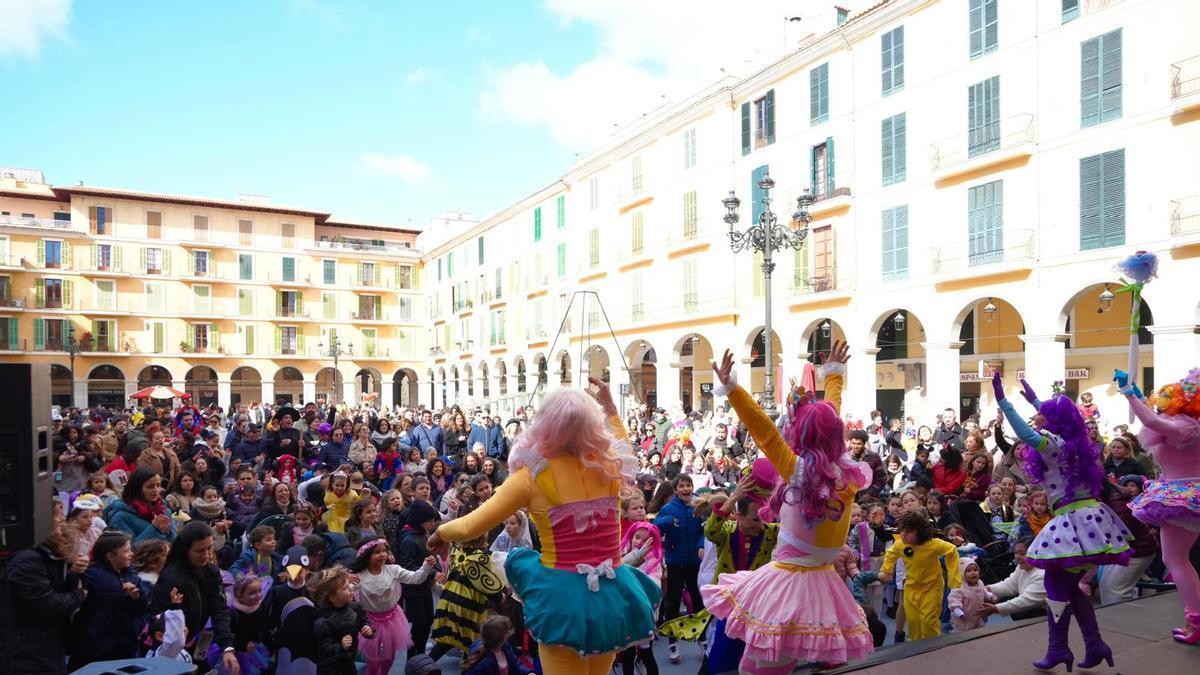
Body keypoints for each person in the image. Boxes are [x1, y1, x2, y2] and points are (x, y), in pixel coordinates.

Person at [427, 378, 660, 675]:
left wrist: (440, 532)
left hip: (561, 597)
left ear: (544, 425)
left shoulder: (531, 477)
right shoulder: (611, 465)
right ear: (592, 424)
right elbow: (625, 447)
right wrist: (610, 407)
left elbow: (473, 523)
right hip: (611, 594)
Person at [702, 343, 873, 672]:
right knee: (803, 659)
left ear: (803, 434)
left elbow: (763, 431)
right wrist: (834, 377)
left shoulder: (797, 470)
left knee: (760, 666)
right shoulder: (849, 475)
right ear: (837, 435)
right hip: (823, 584)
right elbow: (832, 414)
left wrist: (733, 389)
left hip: (789, 584)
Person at [994, 374, 1133, 670]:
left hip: (1075, 521)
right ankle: (1094, 645)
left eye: (1043, 414)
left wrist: (1004, 403)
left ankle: (1059, 649)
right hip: (1087, 519)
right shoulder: (1074, 442)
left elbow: (1028, 435)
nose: (1038, 416)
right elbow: (1057, 414)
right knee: (1068, 586)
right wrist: (1032, 398)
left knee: (1055, 583)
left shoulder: (1056, 444)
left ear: (1054, 421)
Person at [1117, 369, 1200, 642]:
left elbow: (1152, 420)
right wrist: (1136, 394)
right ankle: (1195, 621)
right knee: (1177, 559)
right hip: (1181, 492)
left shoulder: (1186, 428)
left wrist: (1129, 394)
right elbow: (1155, 419)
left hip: (1184, 497)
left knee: (1175, 559)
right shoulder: (1187, 424)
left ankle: (1197, 624)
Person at [152, 521, 239, 673]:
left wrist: (227, 648)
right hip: (169, 650)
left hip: (196, 642)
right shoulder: (173, 579)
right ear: (186, 550)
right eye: (199, 551)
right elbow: (161, 620)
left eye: (209, 548)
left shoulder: (211, 572)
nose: (207, 555)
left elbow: (219, 609)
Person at [350, 537, 436, 675]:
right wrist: (345, 578)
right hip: (370, 621)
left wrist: (426, 566)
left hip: (394, 618)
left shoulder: (393, 570)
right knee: (373, 658)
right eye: (377, 552)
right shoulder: (359, 577)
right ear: (366, 555)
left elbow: (416, 578)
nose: (383, 554)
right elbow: (346, 593)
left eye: (384, 550)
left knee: (390, 654)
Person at [8, 523, 86, 674]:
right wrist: (79, 595)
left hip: (45, 643)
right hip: (29, 648)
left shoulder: (47, 556)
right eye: (57, 517)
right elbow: (45, 603)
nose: (62, 523)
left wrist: (72, 573)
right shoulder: (28, 559)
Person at [69, 530, 153, 669]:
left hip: (125, 645)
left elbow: (140, 610)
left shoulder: (132, 576)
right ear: (110, 555)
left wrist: (136, 598)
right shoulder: (92, 575)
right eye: (126, 551)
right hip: (95, 646)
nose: (131, 554)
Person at [878, 511, 961, 642]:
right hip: (911, 588)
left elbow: (952, 551)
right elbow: (890, 555)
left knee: (928, 620)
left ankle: (932, 648)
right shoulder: (900, 544)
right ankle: (915, 649)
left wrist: (954, 579)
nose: (903, 534)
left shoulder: (933, 544)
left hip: (932, 587)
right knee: (914, 621)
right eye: (902, 530)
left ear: (919, 532)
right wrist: (886, 571)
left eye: (909, 531)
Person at [653, 474, 706, 664]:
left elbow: (704, 529)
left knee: (699, 603)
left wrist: (701, 544)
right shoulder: (668, 509)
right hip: (675, 564)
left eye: (688, 485)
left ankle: (703, 639)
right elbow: (654, 529)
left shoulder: (698, 505)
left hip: (694, 563)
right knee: (672, 604)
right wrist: (666, 521)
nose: (686, 489)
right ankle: (672, 643)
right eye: (682, 486)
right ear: (675, 490)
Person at [398, 499, 443, 659]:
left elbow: (431, 556)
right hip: (413, 589)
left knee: (428, 620)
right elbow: (407, 566)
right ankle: (412, 657)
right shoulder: (409, 540)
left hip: (424, 587)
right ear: (419, 521)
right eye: (429, 521)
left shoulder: (422, 535)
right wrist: (431, 573)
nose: (432, 524)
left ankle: (421, 653)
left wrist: (436, 570)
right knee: (418, 624)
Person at [310, 566, 372, 675]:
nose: (350, 589)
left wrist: (368, 629)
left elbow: (364, 622)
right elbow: (324, 648)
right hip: (330, 668)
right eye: (345, 588)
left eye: (349, 585)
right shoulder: (323, 622)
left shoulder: (355, 608)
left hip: (348, 662)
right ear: (332, 597)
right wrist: (340, 646)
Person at [981, 538, 1047, 621]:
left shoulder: (1043, 574)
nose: (1017, 557)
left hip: (1046, 614)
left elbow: (1026, 601)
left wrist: (995, 608)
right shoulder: (1021, 567)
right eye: (1015, 553)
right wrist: (983, 590)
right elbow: (1008, 586)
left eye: (1022, 553)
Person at [104, 467, 176, 543]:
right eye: (150, 487)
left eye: (158, 485)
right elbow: (128, 550)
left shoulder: (164, 511)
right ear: (137, 489)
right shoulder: (121, 517)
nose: (155, 490)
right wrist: (154, 529)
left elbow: (176, 543)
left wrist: (168, 532)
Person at [462, 615, 533, 675]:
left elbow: (515, 662)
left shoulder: (504, 646)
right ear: (504, 637)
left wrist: (528, 673)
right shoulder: (484, 663)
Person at [947, 557, 994, 634]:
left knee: (980, 631)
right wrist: (958, 610)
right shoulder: (958, 587)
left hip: (978, 615)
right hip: (963, 618)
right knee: (962, 634)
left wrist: (991, 596)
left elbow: (984, 592)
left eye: (975, 570)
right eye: (968, 571)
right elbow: (953, 600)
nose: (973, 573)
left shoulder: (980, 583)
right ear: (961, 573)